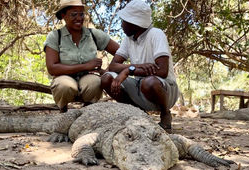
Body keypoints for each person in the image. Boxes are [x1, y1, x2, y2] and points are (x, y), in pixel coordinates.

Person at [101, 0, 179, 131]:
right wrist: (135, 67)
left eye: (124, 21)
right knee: (106, 79)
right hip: (140, 87)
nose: (121, 24)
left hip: (164, 89)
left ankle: (165, 114)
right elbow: (113, 66)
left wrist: (127, 71)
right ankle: (139, 113)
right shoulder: (128, 39)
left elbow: (162, 71)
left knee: (148, 82)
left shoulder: (156, 34)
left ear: (134, 23)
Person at [44, 0, 119, 112]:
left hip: (89, 77)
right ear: (63, 15)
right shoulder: (55, 36)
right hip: (64, 77)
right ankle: (64, 112)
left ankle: (89, 112)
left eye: (81, 14)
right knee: (64, 86)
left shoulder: (93, 34)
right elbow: (52, 68)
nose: (79, 18)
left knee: (95, 83)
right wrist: (85, 66)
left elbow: (121, 52)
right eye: (74, 14)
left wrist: (108, 70)